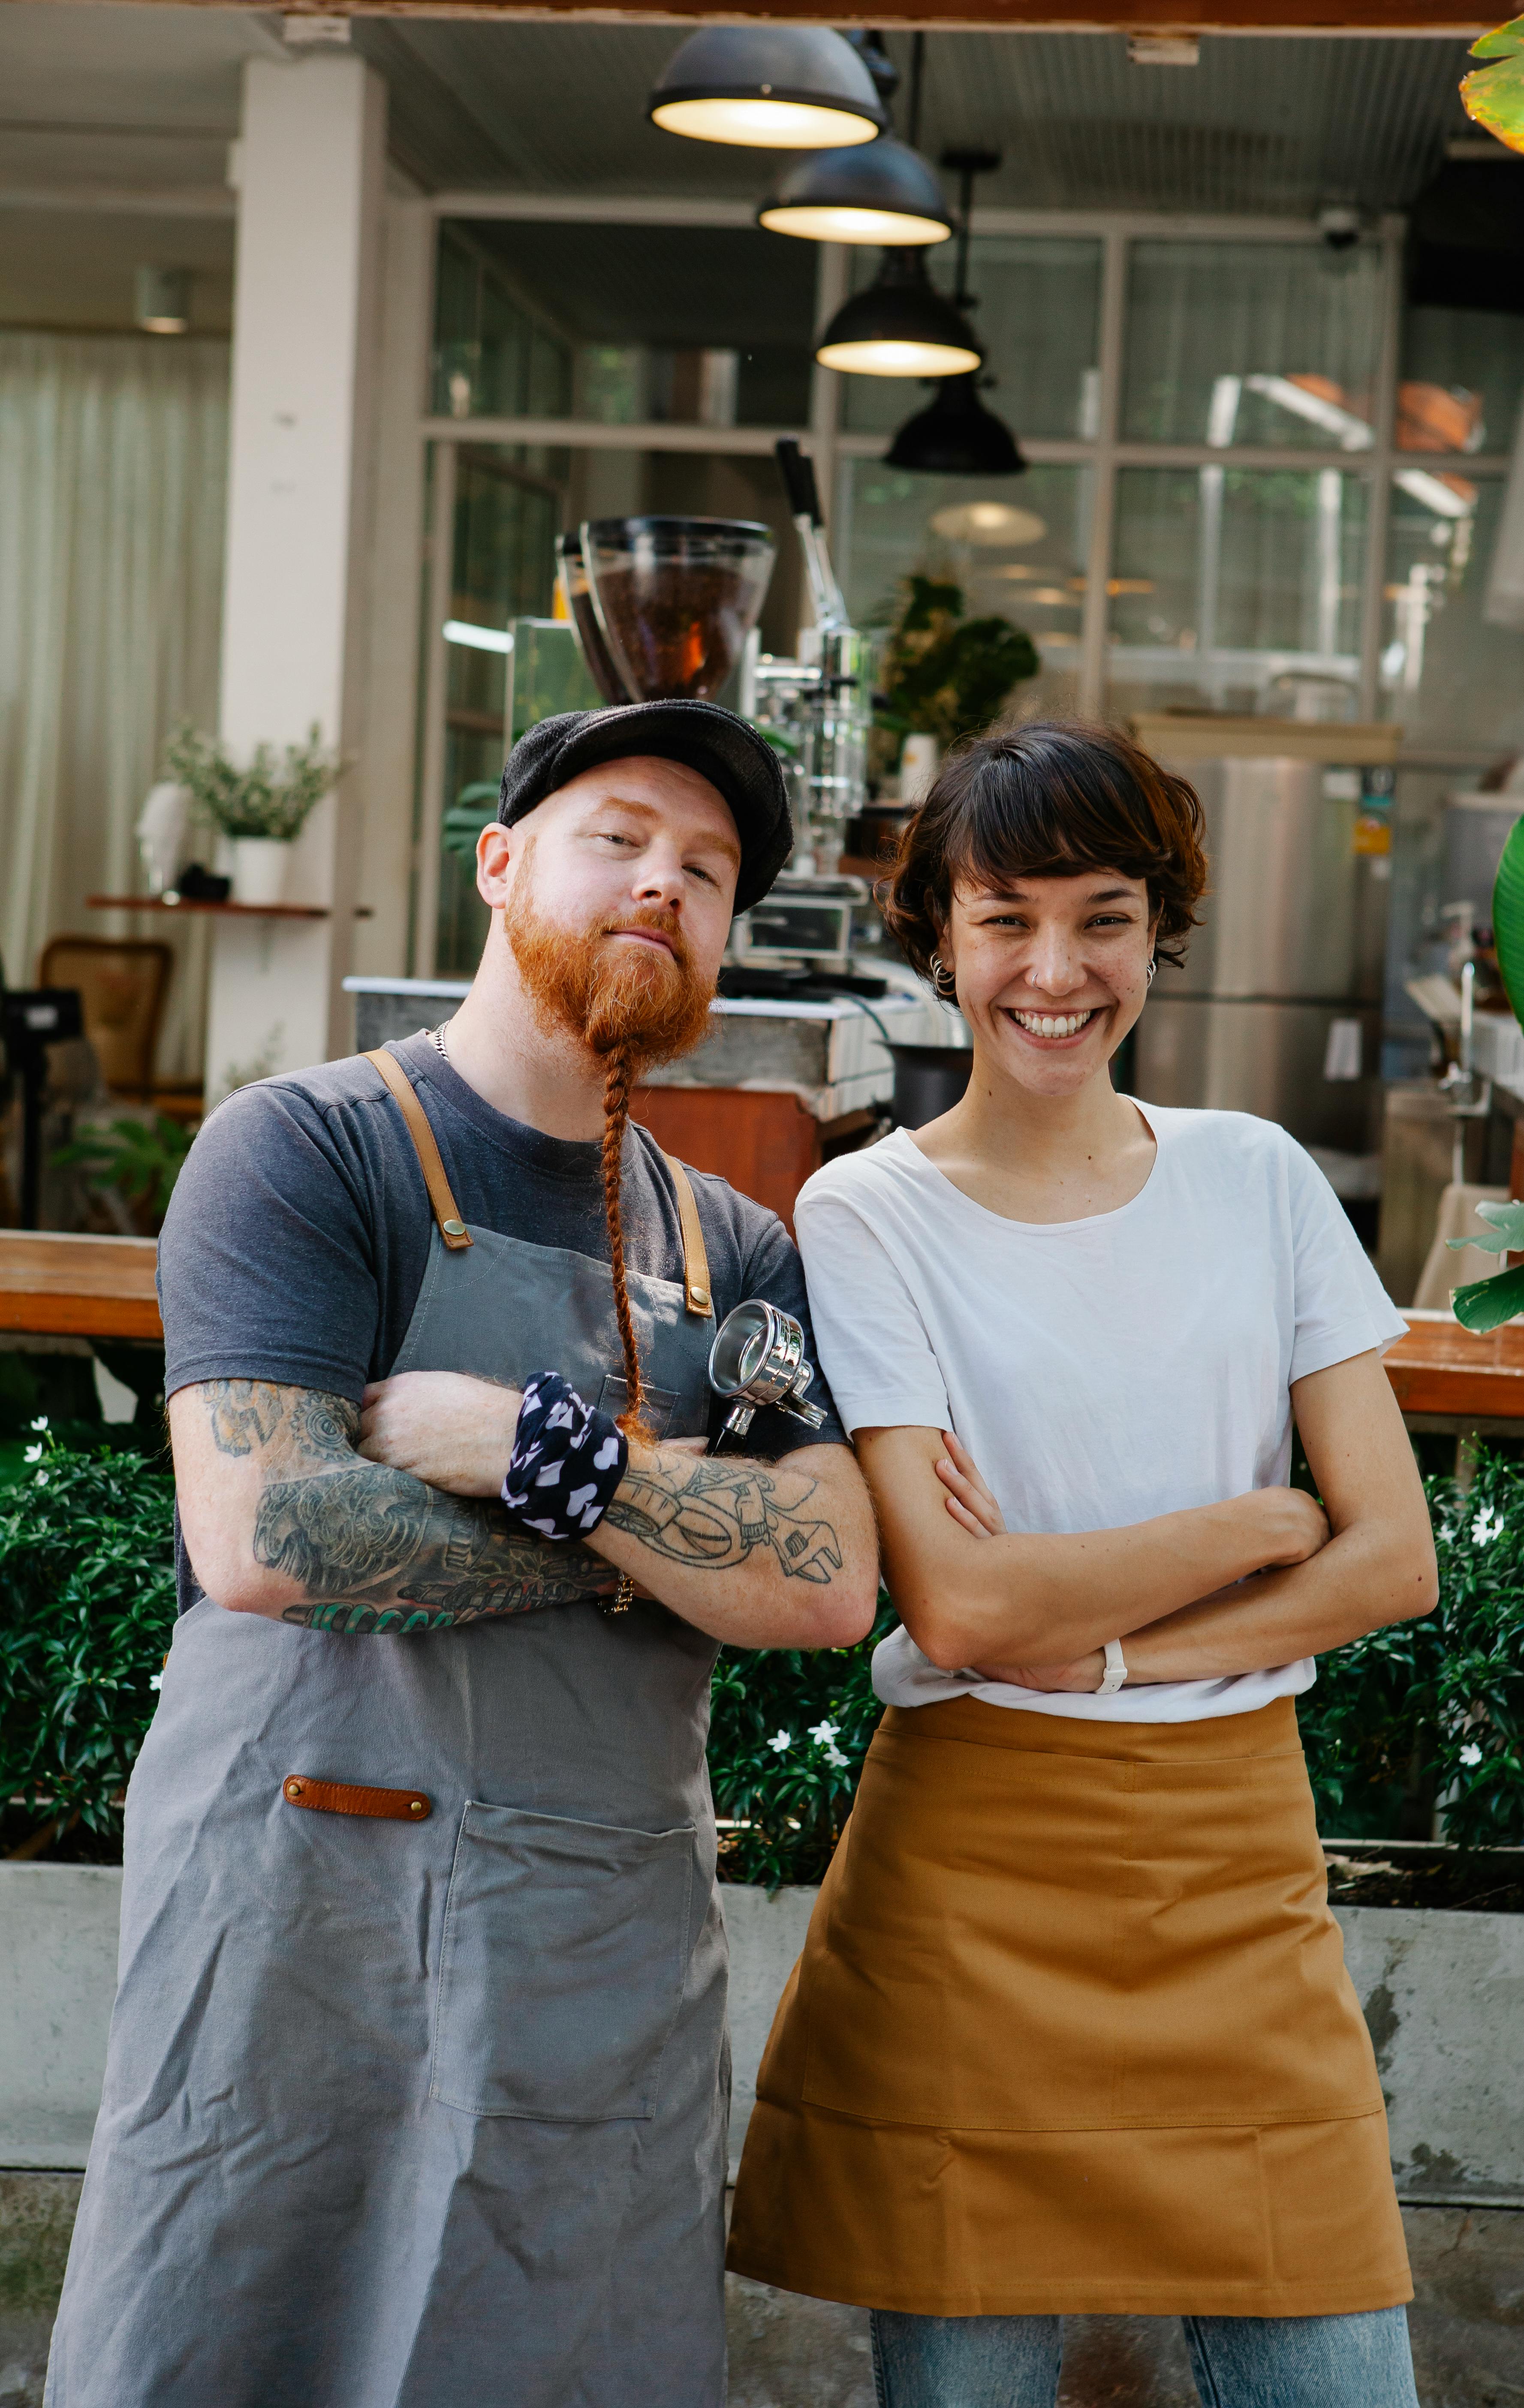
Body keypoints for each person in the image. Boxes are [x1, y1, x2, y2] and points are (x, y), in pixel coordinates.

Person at [47, 698, 877, 2408]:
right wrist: (665, 1527)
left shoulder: (739, 1249)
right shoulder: (304, 1149)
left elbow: (825, 1582)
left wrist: (537, 1456)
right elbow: (276, 1530)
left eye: (710, 869)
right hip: (300, 1931)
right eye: (619, 839)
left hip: (600, 1954)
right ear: (499, 866)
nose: (665, 884)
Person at [728, 722, 1436, 2408]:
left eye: (1104, 917)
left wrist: (1114, 1645)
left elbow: (1394, 1558)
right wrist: (1259, 1528)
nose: (1056, 971)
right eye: (1006, 920)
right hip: (972, 1878)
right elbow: (968, 1612)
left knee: (1340, 2376)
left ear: (1158, 929)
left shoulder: (1257, 1179)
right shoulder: (867, 1214)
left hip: (1235, 1863)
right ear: (941, 936)